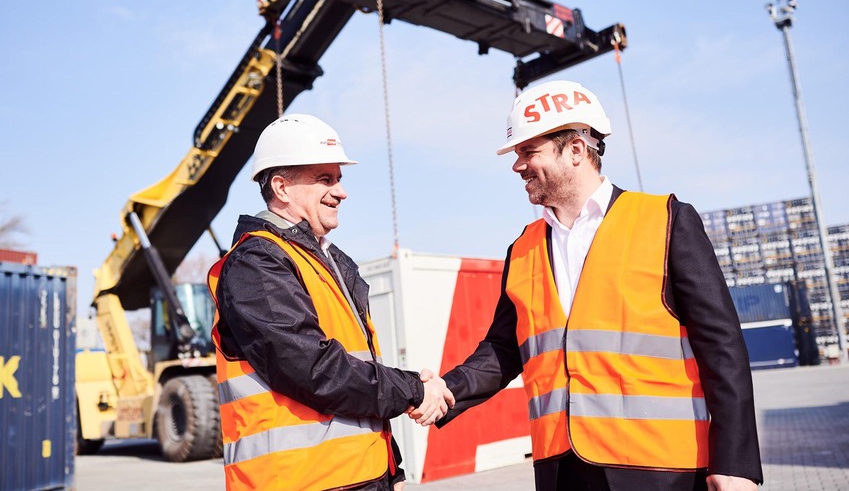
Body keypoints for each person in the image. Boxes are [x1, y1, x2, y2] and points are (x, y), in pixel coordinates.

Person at [429, 81, 763, 490]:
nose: (517, 165)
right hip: (562, 469)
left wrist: (735, 463)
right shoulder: (523, 249)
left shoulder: (666, 220)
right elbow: (502, 349)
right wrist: (445, 391)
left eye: (528, 152)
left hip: (661, 468)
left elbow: (722, 347)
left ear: (575, 150)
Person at [207, 113, 454, 491]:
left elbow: (360, 368)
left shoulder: (332, 262)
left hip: (360, 476)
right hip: (300, 482)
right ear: (282, 187)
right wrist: (415, 390)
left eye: (338, 179)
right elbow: (314, 369)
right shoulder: (256, 263)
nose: (341, 191)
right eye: (325, 179)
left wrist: (393, 467)